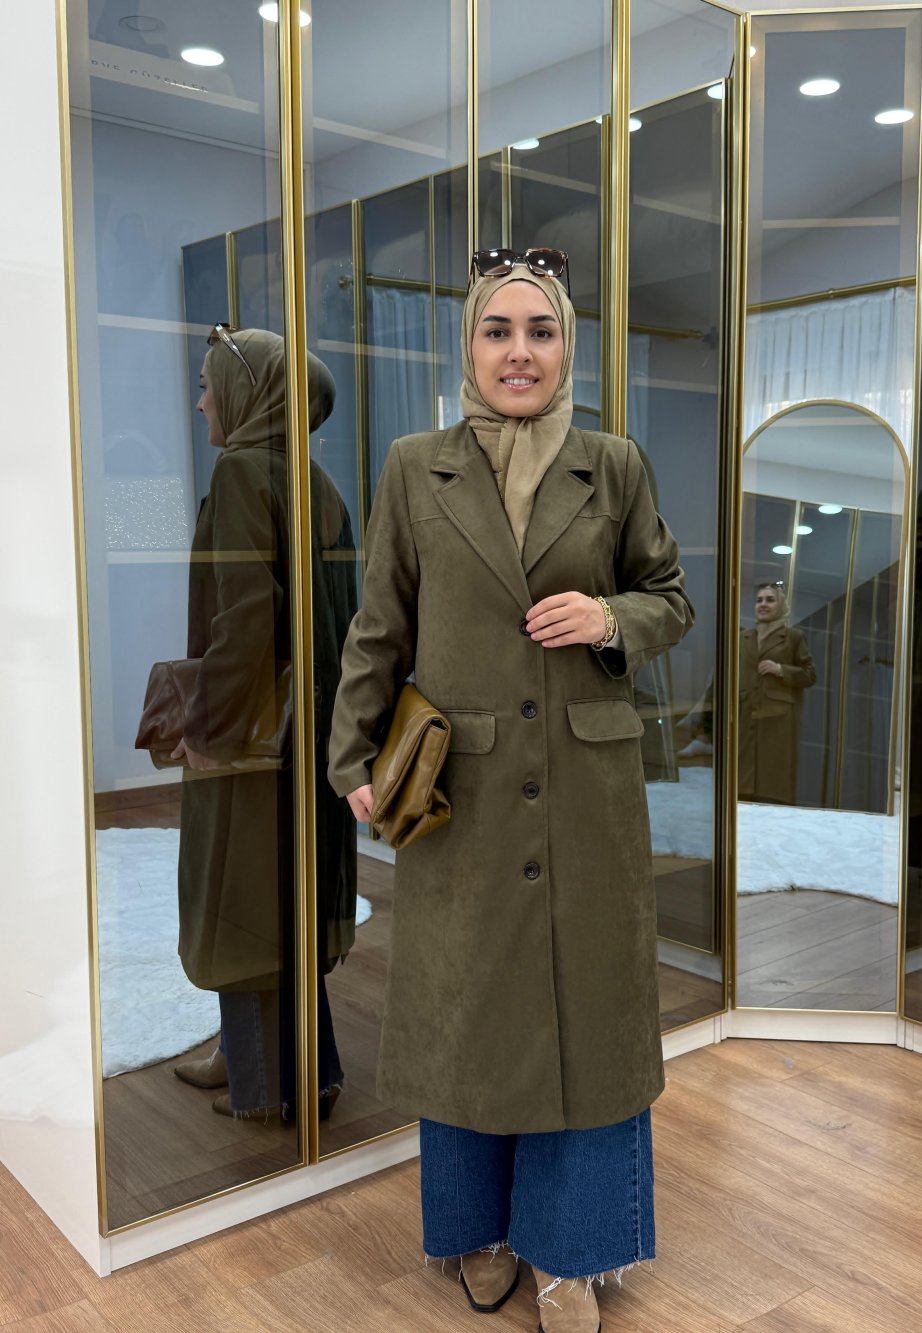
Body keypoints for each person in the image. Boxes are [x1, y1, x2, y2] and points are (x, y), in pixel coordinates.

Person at [327, 253, 694, 1331]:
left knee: (590, 1016)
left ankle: (574, 1255)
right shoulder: (414, 468)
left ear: (567, 345)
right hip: (464, 791)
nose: (519, 352)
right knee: (469, 1010)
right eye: (498, 331)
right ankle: (478, 1229)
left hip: (588, 788)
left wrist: (610, 619)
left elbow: (669, 596)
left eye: (541, 330)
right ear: (470, 346)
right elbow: (379, 624)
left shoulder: (613, 464)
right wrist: (353, 757)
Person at [171, 326, 357, 1122]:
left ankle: (273, 1083)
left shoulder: (242, 471)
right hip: (311, 732)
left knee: (242, 900)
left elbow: (243, 619)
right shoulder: (317, 480)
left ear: (248, 395)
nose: (202, 401)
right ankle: (287, 1061)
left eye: (208, 385)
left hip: (255, 731)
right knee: (285, 895)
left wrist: (203, 721)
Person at [738, 581, 816, 805]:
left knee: (772, 778)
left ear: (781, 605)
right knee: (742, 779)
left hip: (778, 718)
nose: (763, 604)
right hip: (745, 713)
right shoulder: (743, 637)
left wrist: (780, 669)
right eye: (759, 600)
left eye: (770, 600)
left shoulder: (793, 636)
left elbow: (810, 675)